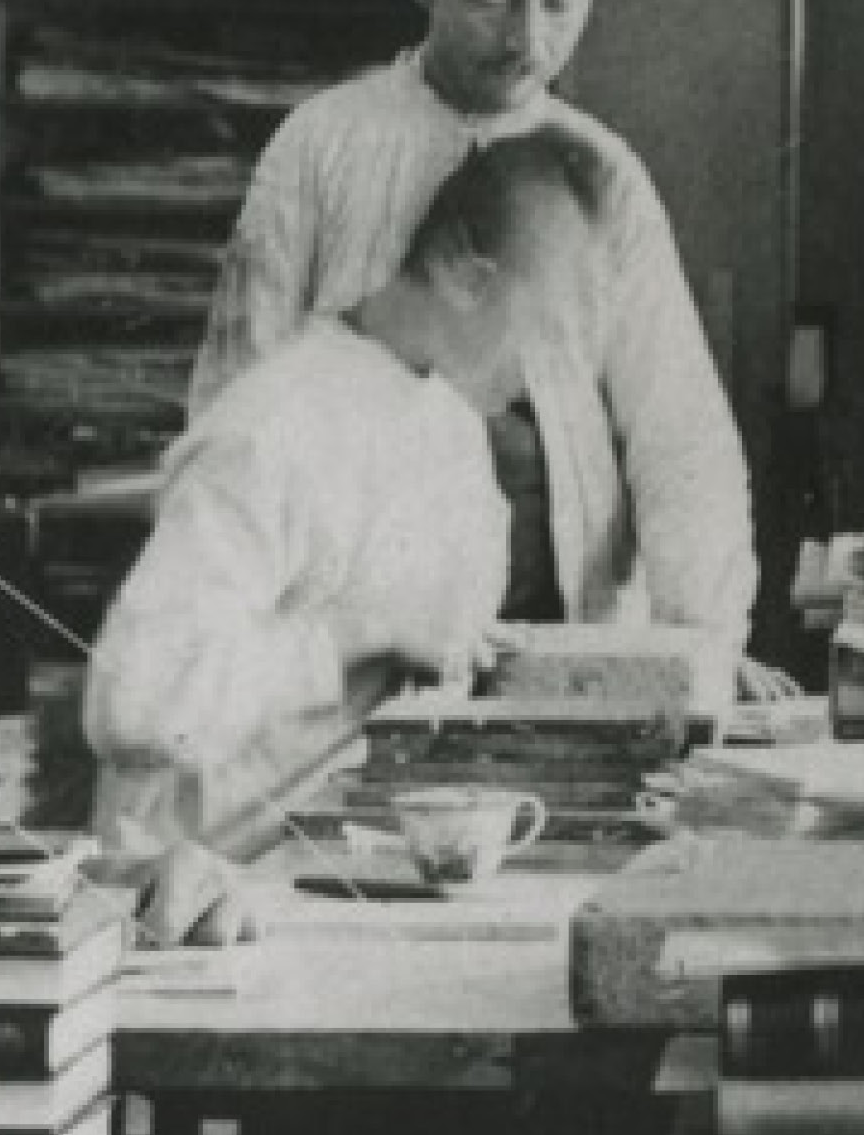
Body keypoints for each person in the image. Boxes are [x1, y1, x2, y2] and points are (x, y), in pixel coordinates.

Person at [189, 0, 755, 653]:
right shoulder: (321, 148)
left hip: (568, 634)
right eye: (494, 1)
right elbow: (238, 395)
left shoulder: (604, 176)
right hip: (363, 637)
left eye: (562, 4)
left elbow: (677, 428)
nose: (529, 40)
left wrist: (702, 639)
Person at [91, 135, 611, 862]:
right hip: (201, 896)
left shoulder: (451, 417)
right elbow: (136, 703)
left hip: (345, 865)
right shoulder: (275, 424)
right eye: (549, 334)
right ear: (466, 275)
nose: (554, 376)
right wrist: (359, 632)